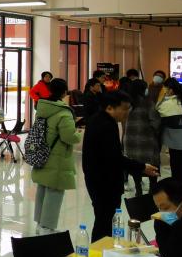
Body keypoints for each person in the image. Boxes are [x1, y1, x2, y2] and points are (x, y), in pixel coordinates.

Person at [81, 91, 158, 241]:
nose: (127, 112)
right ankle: (99, 251)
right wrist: (141, 167)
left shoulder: (99, 119)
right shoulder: (105, 125)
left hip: (97, 179)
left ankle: (102, 249)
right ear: (110, 107)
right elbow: (114, 158)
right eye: (124, 108)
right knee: (104, 222)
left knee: (104, 220)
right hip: (104, 182)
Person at [31, 78, 79, 235]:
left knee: (42, 188)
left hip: (42, 153)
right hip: (57, 156)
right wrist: (78, 134)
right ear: (64, 92)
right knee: (55, 191)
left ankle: (40, 224)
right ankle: (47, 227)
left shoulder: (42, 109)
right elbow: (68, 136)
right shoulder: (64, 113)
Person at [123, 78, 161, 196]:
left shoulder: (127, 103)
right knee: (152, 166)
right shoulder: (147, 103)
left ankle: (138, 190)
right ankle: (152, 191)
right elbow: (155, 122)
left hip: (130, 141)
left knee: (135, 166)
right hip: (146, 141)